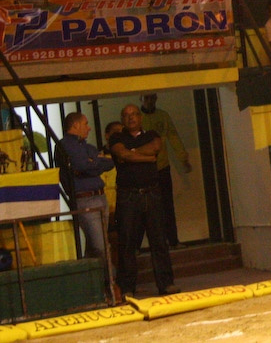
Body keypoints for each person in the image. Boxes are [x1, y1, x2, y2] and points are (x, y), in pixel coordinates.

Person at [109, 104, 179, 298]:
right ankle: (127, 288)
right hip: (128, 196)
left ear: (140, 117)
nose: (131, 118)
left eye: (134, 114)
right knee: (127, 243)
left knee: (159, 240)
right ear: (122, 119)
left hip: (152, 194)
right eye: (126, 115)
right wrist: (146, 158)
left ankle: (166, 284)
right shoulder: (116, 138)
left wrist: (132, 154)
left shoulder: (152, 134)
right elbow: (122, 154)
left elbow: (155, 148)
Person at [58, 112, 115, 259]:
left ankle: (92, 272)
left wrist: (92, 163)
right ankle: (109, 273)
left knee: (94, 245)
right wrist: (96, 162)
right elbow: (82, 165)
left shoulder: (85, 146)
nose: (89, 128)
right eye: (86, 124)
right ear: (76, 125)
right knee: (100, 246)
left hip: (99, 197)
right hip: (85, 199)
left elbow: (109, 163)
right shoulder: (65, 146)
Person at [140, 93, 191, 249]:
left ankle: (173, 241)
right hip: (144, 169)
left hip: (162, 167)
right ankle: (152, 244)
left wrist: (183, 159)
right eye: (146, 98)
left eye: (152, 98)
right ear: (140, 99)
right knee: (147, 208)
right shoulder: (138, 118)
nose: (149, 101)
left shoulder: (163, 116)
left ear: (156, 99)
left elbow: (173, 137)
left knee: (167, 206)